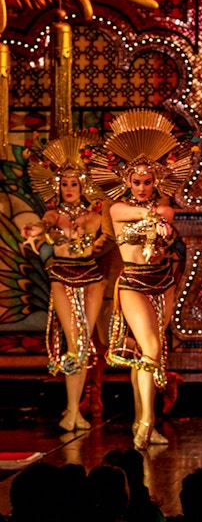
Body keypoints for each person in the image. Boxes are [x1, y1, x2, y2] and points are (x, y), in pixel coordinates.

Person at [89, 109, 193, 450]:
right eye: (137, 182)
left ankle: (142, 419)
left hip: (162, 283)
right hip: (133, 283)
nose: (143, 188)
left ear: (157, 181)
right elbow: (146, 214)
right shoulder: (118, 209)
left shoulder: (164, 210)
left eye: (149, 182)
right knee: (150, 348)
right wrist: (157, 216)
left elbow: (166, 215)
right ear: (126, 182)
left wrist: (162, 220)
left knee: (149, 354)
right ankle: (147, 422)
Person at [21, 132, 109, 431]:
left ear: (83, 186)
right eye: (64, 183)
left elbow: (102, 233)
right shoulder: (53, 215)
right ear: (56, 186)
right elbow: (43, 224)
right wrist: (35, 229)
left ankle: (74, 411)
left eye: (74, 183)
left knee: (84, 346)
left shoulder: (93, 218)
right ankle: (72, 409)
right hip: (62, 277)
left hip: (92, 279)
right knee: (74, 342)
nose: (68, 188)